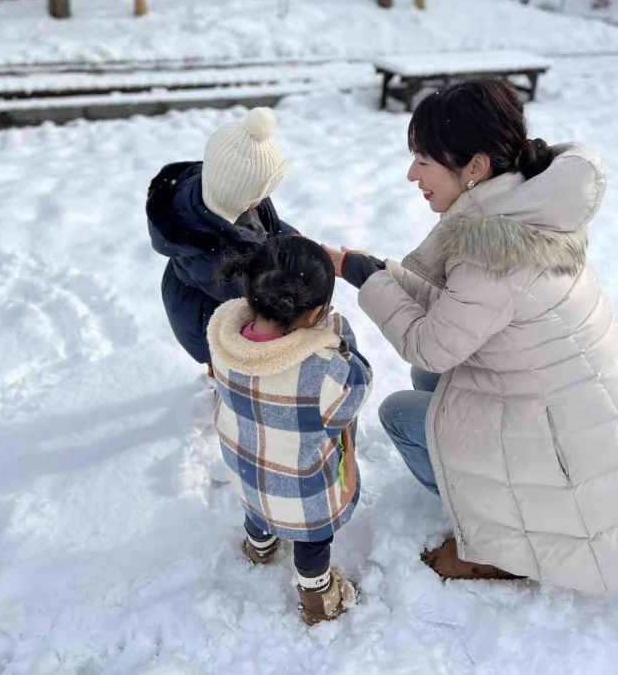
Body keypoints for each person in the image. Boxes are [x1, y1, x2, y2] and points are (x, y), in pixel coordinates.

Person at [327, 79, 618, 594]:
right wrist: (372, 270)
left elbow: (430, 341)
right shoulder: (529, 208)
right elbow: (460, 312)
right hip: (582, 424)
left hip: (571, 468)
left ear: (476, 169)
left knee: (401, 411)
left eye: (424, 159)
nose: (412, 173)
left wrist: (366, 279)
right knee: (431, 376)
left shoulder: (494, 253)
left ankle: (504, 544)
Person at [206, 236, 372, 624]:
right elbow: (356, 388)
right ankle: (318, 598)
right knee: (312, 543)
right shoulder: (322, 370)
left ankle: (259, 547)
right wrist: (337, 337)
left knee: (259, 511)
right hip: (302, 490)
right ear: (316, 314)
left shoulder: (224, 340)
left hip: (248, 470)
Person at [146, 108, 298, 374]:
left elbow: (269, 227)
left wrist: (295, 243)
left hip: (223, 297)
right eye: (259, 192)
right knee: (225, 367)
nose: (262, 200)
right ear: (237, 191)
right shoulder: (206, 252)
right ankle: (218, 389)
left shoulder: (228, 194)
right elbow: (253, 293)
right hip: (206, 319)